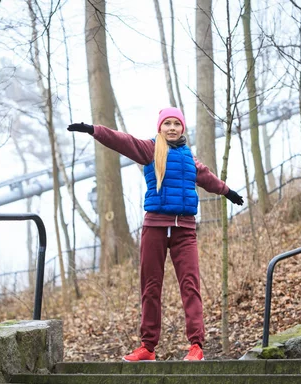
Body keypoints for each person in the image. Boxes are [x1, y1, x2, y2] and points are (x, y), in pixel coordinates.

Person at [67, 107, 244, 362]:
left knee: (191, 286)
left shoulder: (189, 159)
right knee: (150, 287)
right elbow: (123, 141)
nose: (172, 128)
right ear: (160, 127)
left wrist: (227, 191)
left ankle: (196, 346)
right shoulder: (150, 150)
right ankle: (148, 347)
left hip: (185, 230)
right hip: (155, 228)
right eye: (167, 124)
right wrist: (94, 130)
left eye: (176, 124)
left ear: (182, 128)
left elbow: (207, 178)